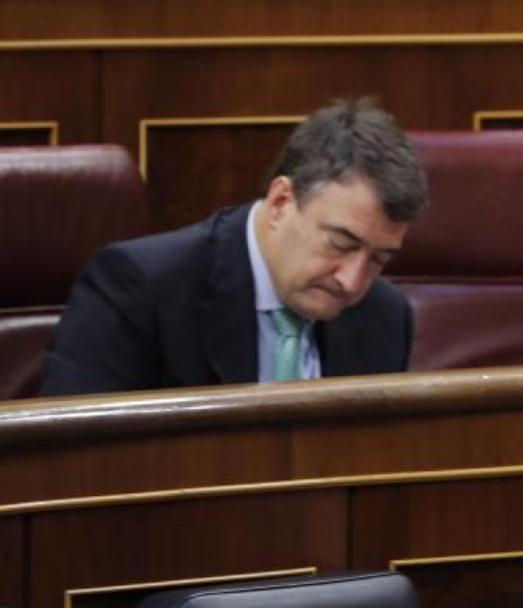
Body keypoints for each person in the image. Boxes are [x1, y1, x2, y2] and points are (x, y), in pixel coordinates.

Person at [39, 98, 426, 397]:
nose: (353, 281)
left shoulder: (384, 318)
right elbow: (70, 464)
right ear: (280, 202)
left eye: (378, 259)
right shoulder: (140, 290)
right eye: (341, 243)